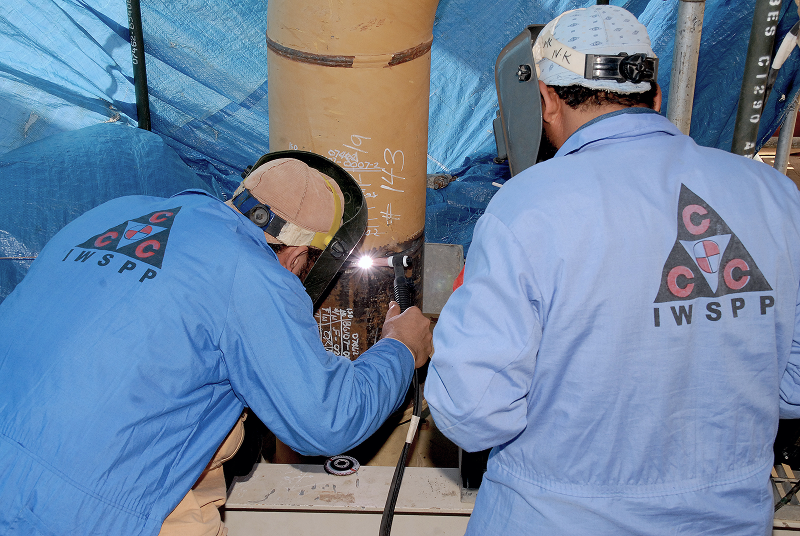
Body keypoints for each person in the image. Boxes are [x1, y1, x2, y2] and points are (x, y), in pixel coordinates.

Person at [425, 5, 800, 535]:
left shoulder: (527, 206)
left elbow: (471, 410)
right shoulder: (776, 198)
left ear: (546, 100)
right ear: (656, 95)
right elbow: (792, 386)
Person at [0, 153, 432, 536]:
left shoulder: (116, 213)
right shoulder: (252, 274)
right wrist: (400, 347)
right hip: (82, 510)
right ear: (298, 257)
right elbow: (328, 419)